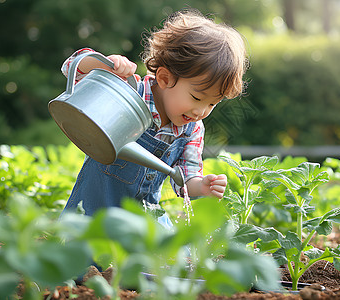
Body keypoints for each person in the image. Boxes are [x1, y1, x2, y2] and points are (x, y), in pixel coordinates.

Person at [60, 9, 248, 229]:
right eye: (197, 97)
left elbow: (186, 179)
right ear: (165, 77)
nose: (201, 111)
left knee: (175, 253)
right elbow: (71, 67)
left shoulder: (192, 129)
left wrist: (202, 187)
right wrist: (105, 67)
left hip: (145, 216)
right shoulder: (130, 93)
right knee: (88, 257)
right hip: (94, 210)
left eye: (212, 104)